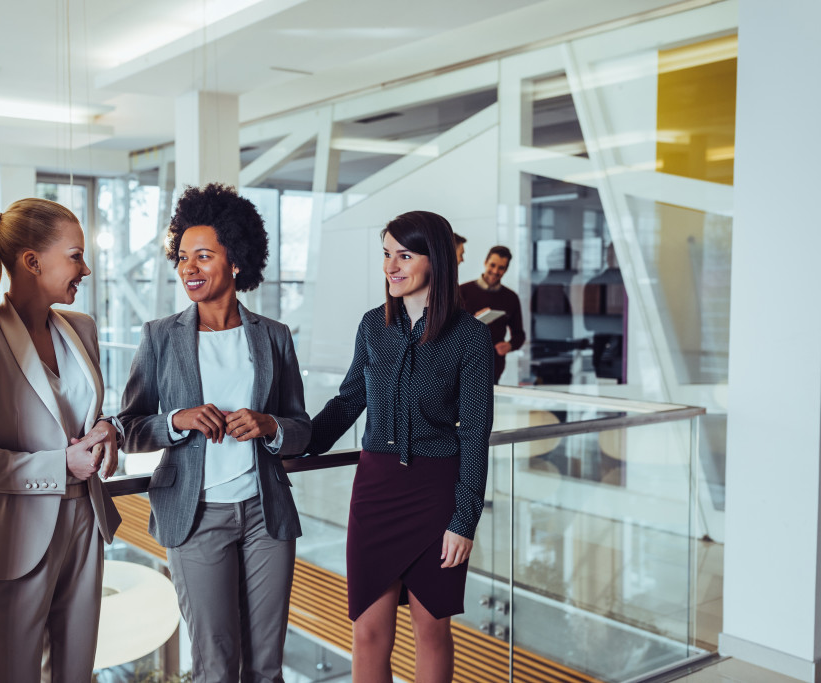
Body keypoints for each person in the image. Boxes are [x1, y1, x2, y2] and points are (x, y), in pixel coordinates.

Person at [117, 183, 311, 683]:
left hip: (265, 517)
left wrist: (270, 427)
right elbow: (130, 430)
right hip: (195, 516)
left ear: (236, 261)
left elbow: (300, 431)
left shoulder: (273, 336)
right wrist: (177, 422)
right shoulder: (159, 336)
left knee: (266, 666)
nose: (189, 269)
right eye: (183, 257)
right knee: (215, 665)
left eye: (203, 256)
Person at [0, 198, 123, 683]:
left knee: (75, 674)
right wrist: (58, 465)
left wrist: (108, 430)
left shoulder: (82, 329)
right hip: (12, 537)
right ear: (32, 262)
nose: (87, 269)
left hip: (84, 522)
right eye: (76, 256)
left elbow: (81, 415)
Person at [306, 211, 494, 683]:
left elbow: (474, 434)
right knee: (367, 632)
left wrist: (464, 520)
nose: (391, 266)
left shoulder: (471, 337)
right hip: (375, 492)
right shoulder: (373, 326)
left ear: (437, 261)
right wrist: (290, 442)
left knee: (431, 631)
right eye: (387, 254)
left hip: (437, 496)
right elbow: (349, 401)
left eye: (404, 255)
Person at [459, 245, 526, 383]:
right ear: (485, 262)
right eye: (492, 265)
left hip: (493, 367)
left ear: (506, 270)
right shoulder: (462, 291)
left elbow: (519, 334)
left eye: (501, 268)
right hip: (463, 363)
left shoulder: (511, 297)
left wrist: (510, 345)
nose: (495, 271)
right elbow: (449, 330)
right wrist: (474, 320)